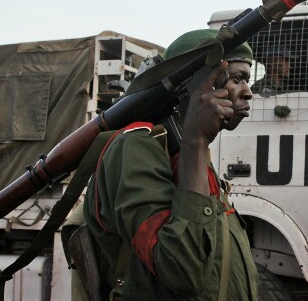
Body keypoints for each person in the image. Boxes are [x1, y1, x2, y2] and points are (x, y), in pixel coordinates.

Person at [83, 29, 259, 300]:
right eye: (237, 79)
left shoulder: (186, 155)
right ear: (195, 84)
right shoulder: (137, 147)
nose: (248, 93)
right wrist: (196, 141)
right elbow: (182, 270)